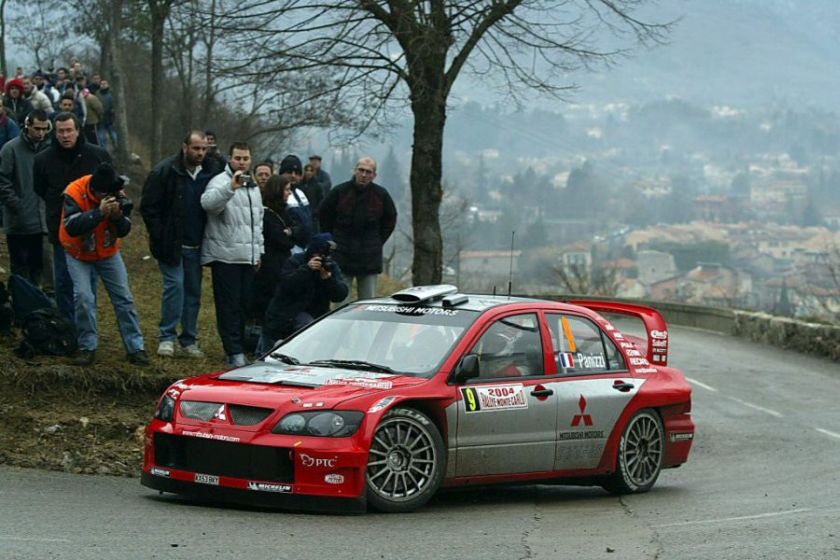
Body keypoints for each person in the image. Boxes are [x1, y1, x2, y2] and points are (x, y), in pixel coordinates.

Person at [59, 163, 149, 366]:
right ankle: (87, 347)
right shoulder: (74, 192)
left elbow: (125, 229)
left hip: (108, 252)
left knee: (124, 298)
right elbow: (72, 227)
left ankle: (136, 348)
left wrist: (117, 216)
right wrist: (99, 213)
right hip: (78, 252)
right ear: (96, 191)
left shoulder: (116, 190)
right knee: (83, 297)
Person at [141, 131, 218, 358]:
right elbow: (149, 207)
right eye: (196, 148)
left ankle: (189, 339)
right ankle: (167, 337)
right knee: (175, 287)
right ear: (185, 147)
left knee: (193, 292)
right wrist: (159, 234)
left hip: (197, 243)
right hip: (172, 243)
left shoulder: (211, 172)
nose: (200, 153)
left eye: (204, 149)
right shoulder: (165, 171)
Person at [33, 111, 111, 321]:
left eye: (69, 130)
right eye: (61, 131)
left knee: (88, 283)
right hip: (60, 228)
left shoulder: (97, 155)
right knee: (63, 282)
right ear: (54, 133)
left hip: (91, 226)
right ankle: (67, 325)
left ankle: (87, 328)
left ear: (77, 131)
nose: (65, 135)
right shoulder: (43, 159)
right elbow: (40, 188)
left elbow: (109, 185)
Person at [201, 141, 264, 367]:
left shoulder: (254, 187)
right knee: (228, 306)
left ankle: (240, 347)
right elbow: (208, 205)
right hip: (225, 255)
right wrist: (230, 187)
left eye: (246, 159)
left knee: (245, 305)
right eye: (238, 158)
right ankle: (233, 350)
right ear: (230, 158)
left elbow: (258, 222)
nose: (242, 162)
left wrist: (259, 251)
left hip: (248, 256)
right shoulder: (219, 181)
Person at [320, 157, 397, 302]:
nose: (364, 175)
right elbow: (324, 215)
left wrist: (377, 241)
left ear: (374, 175)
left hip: (369, 257)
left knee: (368, 304)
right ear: (355, 171)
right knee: (341, 304)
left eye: (368, 172)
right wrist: (332, 239)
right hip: (342, 255)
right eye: (361, 170)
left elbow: (390, 219)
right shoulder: (340, 191)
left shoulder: (381, 195)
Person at [260, 233, 348, 352]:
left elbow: (340, 295)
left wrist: (328, 280)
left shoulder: (330, 265)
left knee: (336, 330)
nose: (320, 259)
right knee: (306, 325)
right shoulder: (295, 261)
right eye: (318, 255)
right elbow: (286, 286)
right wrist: (307, 269)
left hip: (317, 312)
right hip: (288, 312)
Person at [0, 110, 51, 284]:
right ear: (28, 125)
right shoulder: (11, 149)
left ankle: (36, 303)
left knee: (38, 267)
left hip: (42, 221)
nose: (41, 133)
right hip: (18, 221)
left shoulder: (49, 149)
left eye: (44, 129)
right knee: (20, 268)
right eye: (37, 128)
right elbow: (2, 180)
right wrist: (17, 204)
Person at [300, 162, 325, 232]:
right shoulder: (300, 185)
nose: (308, 172)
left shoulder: (317, 186)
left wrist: (315, 212)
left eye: (311, 170)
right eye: (307, 170)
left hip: (313, 217)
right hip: (301, 216)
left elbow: (321, 201)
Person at [96, 79, 117, 150]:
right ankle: (104, 151)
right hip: (101, 119)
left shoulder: (112, 94)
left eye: (105, 84)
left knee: (114, 136)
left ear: (108, 85)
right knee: (102, 137)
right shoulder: (97, 94)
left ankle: (117, 150)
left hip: (110, 118)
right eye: (102, 84)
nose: (103, 85)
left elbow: (115, 107)